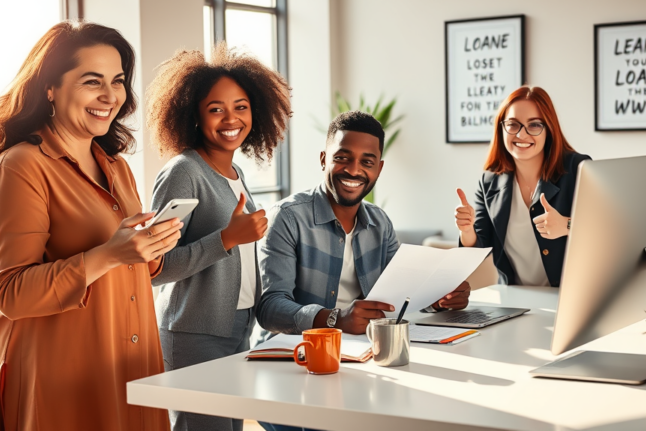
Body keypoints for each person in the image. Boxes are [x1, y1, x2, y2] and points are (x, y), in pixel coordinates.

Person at [0, 21, 180, 431]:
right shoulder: (21, 167)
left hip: (130, 367)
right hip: (60, 378)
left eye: (117, 81)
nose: (110, 95)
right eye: (91, 81)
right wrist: (109, 253)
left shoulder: (115, 166)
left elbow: (127, 266)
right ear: (50, 87)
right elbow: (11, 293)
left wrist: (150, 249)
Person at [145, 43, 291, 431]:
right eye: (216, 109)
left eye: (241, 106)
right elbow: (154, 269)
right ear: (193, 114)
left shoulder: (236, 173)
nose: (231, 118)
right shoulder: (184, 171)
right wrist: (226, 238)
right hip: (193, 332)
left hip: (236, 328)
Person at [257, 111, 471, 339]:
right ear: (323, 159)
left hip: (360, 348)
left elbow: (400, 294)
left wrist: (439, 299)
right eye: (342, 158)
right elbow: (270, 308)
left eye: (367, 162)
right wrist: (336, 319)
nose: (353, 170)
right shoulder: (287, 217)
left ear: (378, 169)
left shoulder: (380, 223)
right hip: (295, 352)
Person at [455, 85, 591, 287]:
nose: (521, 134)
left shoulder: (577, 168)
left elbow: (609, 231)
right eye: (513, 124)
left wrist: (566, 225)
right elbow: (478, 250)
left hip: (571, 297)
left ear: (549, 129)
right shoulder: (489, 181)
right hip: (516, 300)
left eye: (534, 125)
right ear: (502, 128)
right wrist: (466, 230)